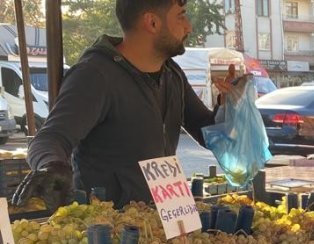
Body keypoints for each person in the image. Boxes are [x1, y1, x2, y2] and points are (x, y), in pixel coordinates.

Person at [13, 0, 233, 210]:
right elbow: (50, 138)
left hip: (167, 215)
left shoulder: (172, 74)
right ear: (152, 22)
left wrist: (228, 104)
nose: (189, 27)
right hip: (113, 225)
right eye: (181, 16)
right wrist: (51, 166)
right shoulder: (95, 75)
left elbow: (208, 132)